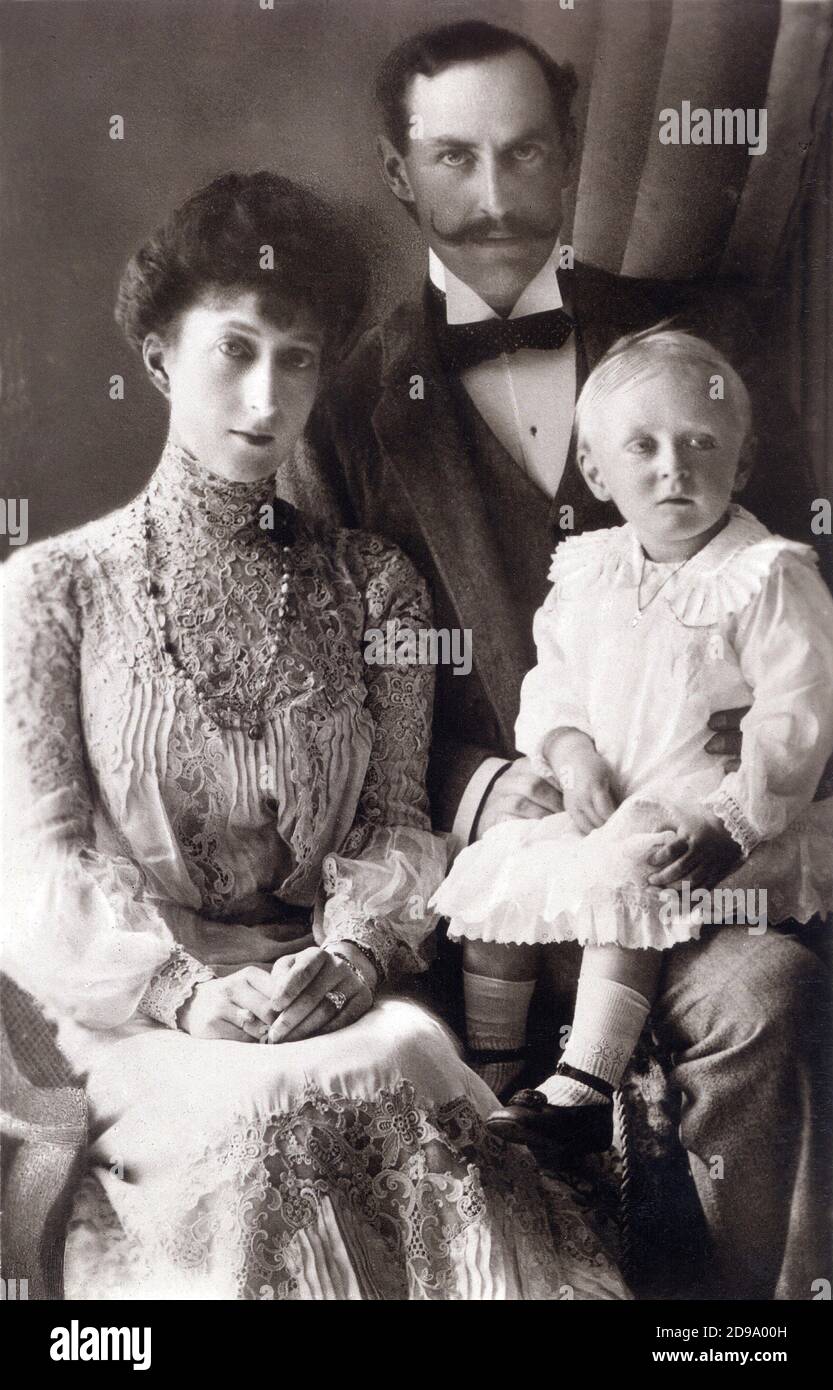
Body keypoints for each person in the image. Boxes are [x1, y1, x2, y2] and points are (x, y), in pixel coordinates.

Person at [1, 171, 629, 1301]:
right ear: (156, 358)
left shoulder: (372, 589)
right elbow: (33, 863)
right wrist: (186, 991)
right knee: (259, 1120)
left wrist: (354, 954)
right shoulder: (52, 591)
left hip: (332, 995)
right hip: (141, 1012)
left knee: (394, 1055)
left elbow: (395, 822)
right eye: (233, 350)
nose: (267, 394)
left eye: (298, 358)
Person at [282, 19, 833, 1299]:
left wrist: (740, 764)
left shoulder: (707, 343)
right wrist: (489, 782)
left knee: (771, 993)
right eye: (454, 159)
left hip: (700, 849)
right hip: (491, 876)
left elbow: (808, 608)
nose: (492, 197)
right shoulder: (351, 404)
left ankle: (737, 1326)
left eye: (525, 154)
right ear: (398, 172)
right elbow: (331, 698)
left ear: (573, 149)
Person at [433, 326, 833, 1152]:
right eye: (642, 446)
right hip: (610, 804)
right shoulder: (590, 570)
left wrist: (733, 819)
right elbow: (552, 682)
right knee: (491, 879)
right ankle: (498, 1079)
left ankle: (586, 1077)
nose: (673, 467)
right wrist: (570, 749)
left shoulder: (764, 574)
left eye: (699, 443)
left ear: (742, 462)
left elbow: (799, 712)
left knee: (631, 867)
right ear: (595, 471)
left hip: (712, 821)